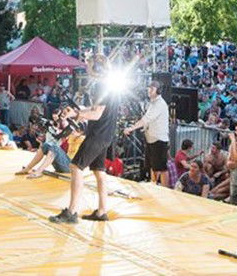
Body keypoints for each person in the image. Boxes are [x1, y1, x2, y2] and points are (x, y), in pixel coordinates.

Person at [48, 72, 123, 224]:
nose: (87, 73)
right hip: (106, 135)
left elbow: (96, 114)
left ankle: (72, 211)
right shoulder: (110, 88)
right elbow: (96, 109)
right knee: (99, 171)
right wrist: (78, 112)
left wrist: (75, 114)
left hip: (97, 135)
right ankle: (102, 211)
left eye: (89, 68)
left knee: (75, 167)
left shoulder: (101, 87)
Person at [125, 80, 171, 186]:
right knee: (152, 166)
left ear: (158, 91)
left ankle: (165, 190)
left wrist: (132, 128)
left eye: (152, 89)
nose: (149, 90)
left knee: (161, 167)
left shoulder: (159, 104)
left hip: (158, 139)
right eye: (149, 88)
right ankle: (153, 185)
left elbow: (146, 119)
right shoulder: (153, 103)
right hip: (151, 138)